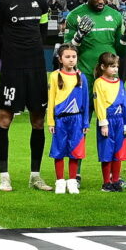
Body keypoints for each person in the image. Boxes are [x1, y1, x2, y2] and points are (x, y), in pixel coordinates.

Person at [0, 0, 55, 192]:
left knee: (38, 120)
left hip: (37, 69)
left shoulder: (41, 1)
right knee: (5, 118)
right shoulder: (4, 2)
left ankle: (35, 175)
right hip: (13, 70)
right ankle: (4, 175)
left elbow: (43, 32)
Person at [62, 0, 126, 93]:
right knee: (84, 110)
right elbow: (66, 51)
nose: (101, 1)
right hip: (85, 75)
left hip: (109, 76)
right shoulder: (74, 16)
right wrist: (78, 36)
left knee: (110, 110)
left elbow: (122, 52)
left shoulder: (115, 15)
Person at [43, 43, 89, 194]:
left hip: (76, 120)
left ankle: (72, 181)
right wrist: (51, 121)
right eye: (67, 57)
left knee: (75, 151)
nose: (71, 60)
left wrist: (85, 122)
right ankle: (60, 181)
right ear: (60, 59)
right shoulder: (55, 76)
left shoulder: (82, 77)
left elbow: (86, 102)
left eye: (74, 57)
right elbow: (51, 100)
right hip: (60, 120)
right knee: (60, 150)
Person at [88, 50, 126, 193]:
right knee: (107, 152)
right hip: (108, 121)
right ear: (103, 67)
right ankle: (106, 182)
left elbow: (125, 103)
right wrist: (103, 123)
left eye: (116, 66)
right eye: (112, 66)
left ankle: (116, 180)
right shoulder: (99, 83)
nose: (115, 69)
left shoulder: (120, 83)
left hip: (119, 121)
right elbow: (99, 103)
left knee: (118, 152)